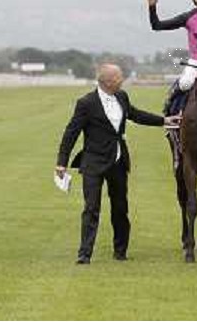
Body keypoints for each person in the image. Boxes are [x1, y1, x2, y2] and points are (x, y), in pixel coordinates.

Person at [55, 64, 181, 265]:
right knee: (91, 208)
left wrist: (165, 120)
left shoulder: (122, 96)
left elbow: (135, 115)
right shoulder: (86, 103)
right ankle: (84, 254)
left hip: (118, 162)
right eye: (119, 77)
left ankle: (120, 251)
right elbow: (71, 132)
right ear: (108, 82)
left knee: (120, 208)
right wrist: (61, 163)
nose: (122, 80)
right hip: (93, 163)